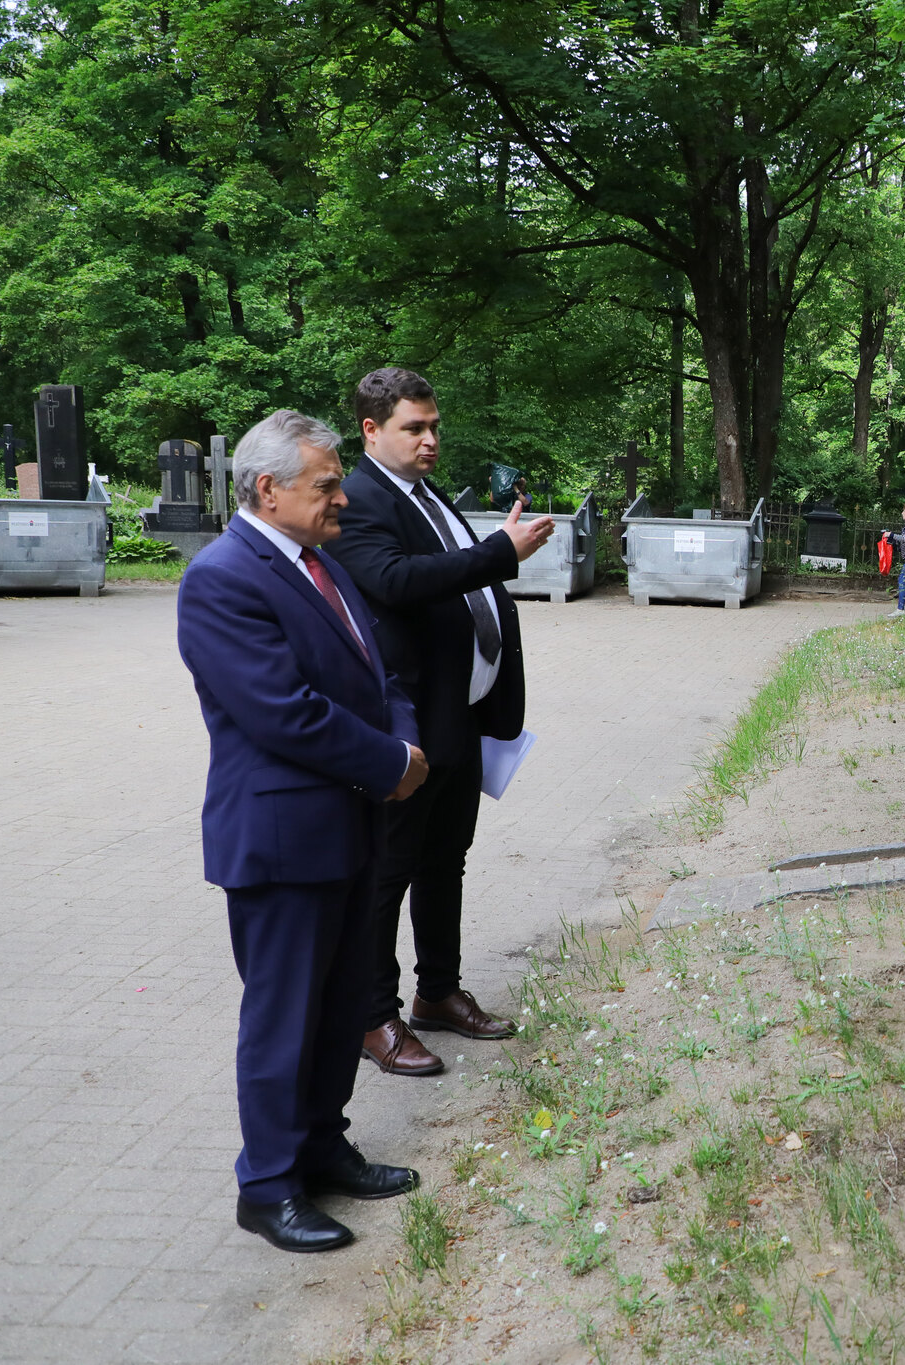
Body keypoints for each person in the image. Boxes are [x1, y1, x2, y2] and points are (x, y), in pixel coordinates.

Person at [176, 409, 428, 1253]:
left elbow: (381, 672)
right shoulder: (221, 579)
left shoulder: (321, 561)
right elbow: (283, 712)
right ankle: (269, 1185)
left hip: (349, 826)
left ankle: (322, 1146)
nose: (342, 498)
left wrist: (404, 743)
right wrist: (389, 761)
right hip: (283, 842)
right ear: (267, 489)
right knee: (284, 1019)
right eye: (326, 484)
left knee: (340, 1004)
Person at [323, 368, 555, 1077]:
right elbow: (396, 581)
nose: (430, 440)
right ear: (371, 430)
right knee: (390, 870)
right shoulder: (359, 499)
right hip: (410, 722)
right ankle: (373, 1016)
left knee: (445, 859)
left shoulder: (425, 495)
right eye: (413, 428)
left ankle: (438, 992)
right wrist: (500, 552)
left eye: (434, 427)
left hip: (460, 713)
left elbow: (458, 583)